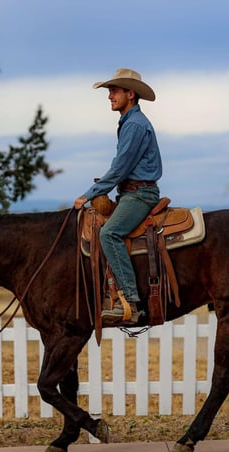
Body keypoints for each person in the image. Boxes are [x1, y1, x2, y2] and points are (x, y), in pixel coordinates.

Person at [73, 68, 162, 325]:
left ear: (130, 94)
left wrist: (88, 195)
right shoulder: (129, 122)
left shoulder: (134, 124)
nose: (110, 96)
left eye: (114, 91)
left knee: (109, 234)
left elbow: (119, 168)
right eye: (109, 91)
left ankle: (131, 303)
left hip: (140, 194)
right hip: (131, 192)